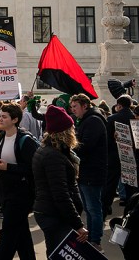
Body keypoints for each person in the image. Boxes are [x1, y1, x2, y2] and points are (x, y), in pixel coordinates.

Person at [33, 105, 88, 256]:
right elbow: (61, 193)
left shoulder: (52, 150)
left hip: (50, 211)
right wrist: (78, 225)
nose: (74, 131)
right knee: (58, 253)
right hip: (54, 214)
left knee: (55, 252)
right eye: (71, 128)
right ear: (64, 132)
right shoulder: (53, 155)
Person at [0, 102, 39, 260]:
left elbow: (33, 168)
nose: (0, 119)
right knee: (21, 232)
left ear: (15, 119)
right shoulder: (1, 138)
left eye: (4, 117)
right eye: (0, 116)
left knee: (8, 232)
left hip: (21, 192)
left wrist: (8, 167)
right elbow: (1, 162)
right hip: (5, 190)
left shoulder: (26, 140)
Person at [70, 93, 108, 250]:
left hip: (93, 171)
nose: (73, 110)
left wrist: (70, 146)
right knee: (89, 208)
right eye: (71, 107)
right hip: (87, 170)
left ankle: (95, 240)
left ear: (85, 105)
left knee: (93, 208)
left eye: (75, 106)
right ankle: (92, 237)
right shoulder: (88, 120)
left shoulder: (93, 121)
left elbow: (86, 146)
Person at [104, 94, 135, 216]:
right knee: (130, 183)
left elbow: (107, 140)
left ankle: (106, 206)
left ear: (119, 105)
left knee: (111, 183)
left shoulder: (112, 118)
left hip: (114, 155)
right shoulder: (134, 118)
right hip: (130, 155)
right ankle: (130, 208)